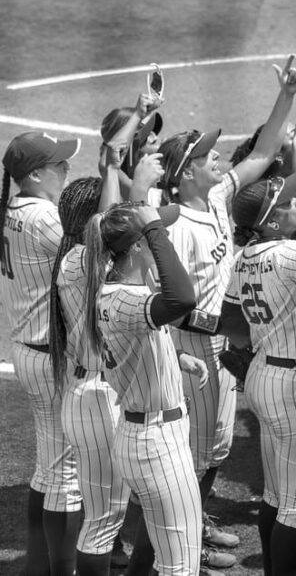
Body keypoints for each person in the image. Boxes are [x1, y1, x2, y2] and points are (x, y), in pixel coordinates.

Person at [155, 56, 296, 568]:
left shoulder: (217, 195)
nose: (218, 156)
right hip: (189, 344)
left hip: (221, 340)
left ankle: (196, 520)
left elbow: (265, 149)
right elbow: (162, 299)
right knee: (190, 450)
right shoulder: (172, 227)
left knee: (216, 447)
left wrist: (286, 96)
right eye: (207, 155)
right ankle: (180, 541)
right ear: (186, 173)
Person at [221, 126, 296, 576]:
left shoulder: (243, 257)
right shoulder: (293, 255)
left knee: (274, 492)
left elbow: (232, 326)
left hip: (263, 376)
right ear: (270, 220)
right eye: (283, 205)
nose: (293, 207)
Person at [83, 201, 207, 576]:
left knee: (166, 555)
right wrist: (153, 232)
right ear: (138, 246)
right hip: (156, 442)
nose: (163, 235)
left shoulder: (113, 292)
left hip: (143, 434)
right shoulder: (125, 298)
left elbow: (135, 343)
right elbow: (183, 299)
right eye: (156, 232)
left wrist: (175, 357)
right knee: (180, 566)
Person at [47, 144, 135, 576]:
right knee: (103, 521)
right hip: (99, 400)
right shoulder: (85, 262)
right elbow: (112, 218)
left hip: (86, 395)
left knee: (101, 515)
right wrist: (115, 169)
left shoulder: (71, 260)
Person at [0, 131, 83, 576]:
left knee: (48, 468)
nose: (67, 170)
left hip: (30, 348)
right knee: (65, 473)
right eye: (60, 165)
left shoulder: (12, 208)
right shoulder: (43, 217)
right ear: (34, 174)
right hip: (50, 356)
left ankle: (37, 567)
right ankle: (60, 571)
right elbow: (96, 257)